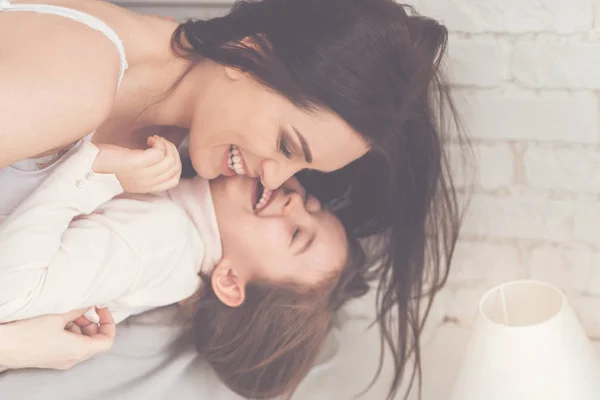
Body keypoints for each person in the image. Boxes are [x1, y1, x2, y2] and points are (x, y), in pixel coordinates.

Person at [0, 0, 467, 398]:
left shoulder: (172, 133)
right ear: (249, 54)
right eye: (286, 146)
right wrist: (18, 349)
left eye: (301, 169)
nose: (278, 179)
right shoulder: (73, 85)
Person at [0, 137, 369, 398]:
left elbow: (9, 292)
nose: (294, 202)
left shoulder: (161, 239)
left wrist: (91, 173)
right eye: (313, 204)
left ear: (228, 281)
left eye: (295, 235)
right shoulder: (172, 218)